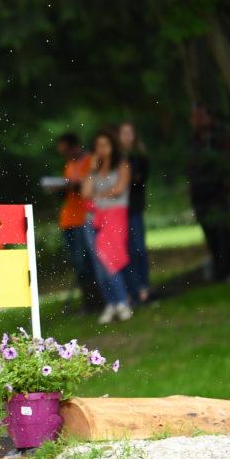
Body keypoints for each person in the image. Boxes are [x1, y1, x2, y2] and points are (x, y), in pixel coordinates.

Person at [82, 130, 133, 324]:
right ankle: (111, 303)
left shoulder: (122, 165)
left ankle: (121, 301)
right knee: (98, 264)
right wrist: (92, 170)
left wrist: (99, 195)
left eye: (105, 145)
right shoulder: (93, 170)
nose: (102, 149)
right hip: (92, 219)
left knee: (110, 259)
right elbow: (86, 193)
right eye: (98, 146)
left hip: (113, 218)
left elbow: (120, 189)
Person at [187, 104, 230, 281]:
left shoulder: (221, 137)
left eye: (200, 116)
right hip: (200, 196)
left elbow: (229, 164)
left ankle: (228, 270)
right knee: (211, 237)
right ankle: (219, 271)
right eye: (194, 117)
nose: (197, 121)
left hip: (219, 194)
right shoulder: (193, 142)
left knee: (224, 234)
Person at [55, 133, 103, 314]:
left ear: (75, 147)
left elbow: (90, 186)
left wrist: (75, 185)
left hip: (85, 218)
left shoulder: (90, 161)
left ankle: (97, 300)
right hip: (69, 219)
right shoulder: (69, 165)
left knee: (88, 261)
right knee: (78, 263)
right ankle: (89, 301)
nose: (65, 155)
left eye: (66, 150)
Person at [119, 121, 151, 303]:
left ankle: (143, 285)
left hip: (134, 208)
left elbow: (137, 181)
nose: (126, 137)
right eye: (124, 133)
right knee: (127, 251)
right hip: (119, 211)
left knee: (138, 248)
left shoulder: (139, 157)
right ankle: (132, 288)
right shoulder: (116, 158)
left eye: (129, 133)